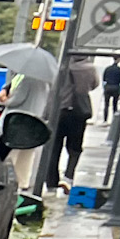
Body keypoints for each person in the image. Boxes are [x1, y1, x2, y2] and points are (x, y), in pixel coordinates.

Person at [47, 55, 96, 192]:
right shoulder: (90, 68)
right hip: (78, 112)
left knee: (54, 147)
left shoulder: (62, 67)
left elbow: (53, 90)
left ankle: (51, 181)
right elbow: (94, 85)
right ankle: (68, 177)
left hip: (60, 111)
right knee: (75, 148)